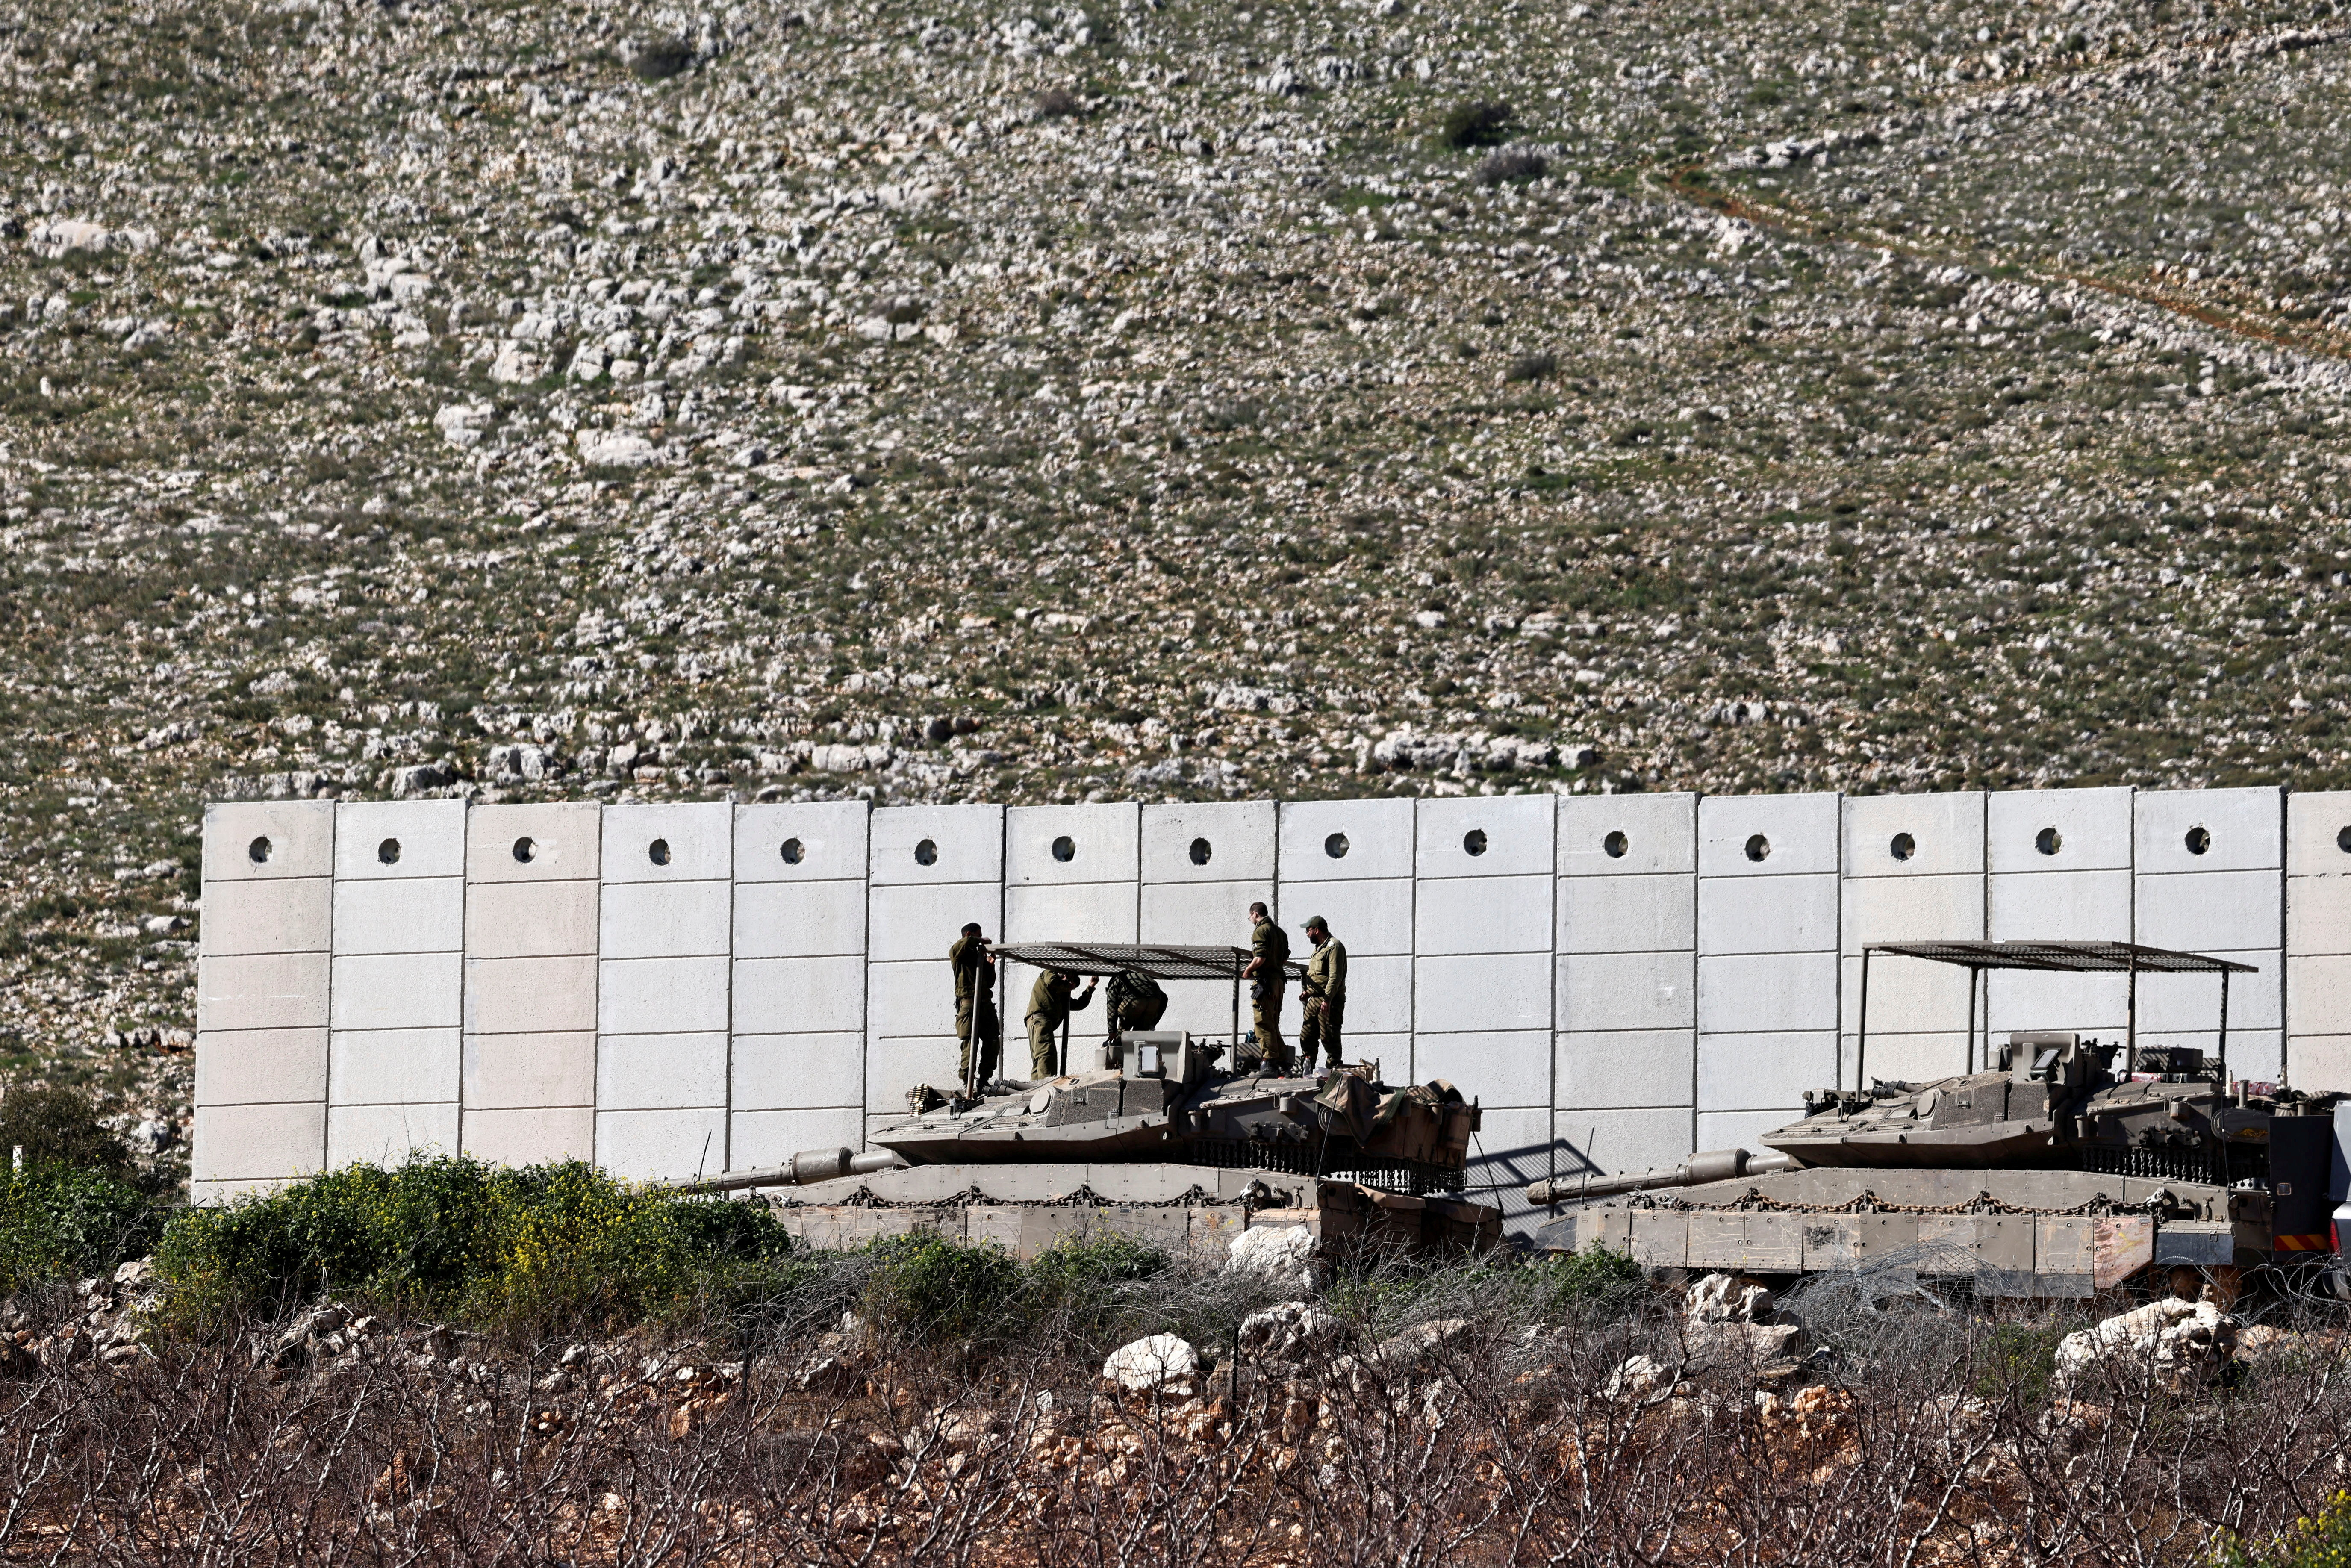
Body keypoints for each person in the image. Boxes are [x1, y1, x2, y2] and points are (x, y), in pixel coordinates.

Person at [1242, 900, 1291, 1073]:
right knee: (1273, 1024)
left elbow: (1260, 958)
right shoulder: (1280, 933)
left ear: (1255, 914)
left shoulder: (1260, 931)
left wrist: (1248, 970)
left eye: (1251, 917)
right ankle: (1283, 1064)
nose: (1251, 920)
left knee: (1263, 1024)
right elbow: (1284, 959)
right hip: (1278, 983)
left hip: (1265, 983)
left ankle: (1269, 1063)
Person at [949, 923, 999, 1091]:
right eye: (977, 936)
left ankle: (984, 1081)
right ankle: (967, 1082)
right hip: (969, 1004)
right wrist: (980, 941)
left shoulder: (979, 956)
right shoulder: (958, 953)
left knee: (992, 1042)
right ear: (969, 935)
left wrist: (989, 965)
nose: (980, 940)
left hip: (985, 1003)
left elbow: (990, 983)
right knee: (970, 1045)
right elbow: (961, 945)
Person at [1025, 968, 1096, 1079]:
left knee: (1039, 1059)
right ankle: (1046, 1087)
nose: (1069, 988)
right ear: (1064, 976)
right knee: (1047, 1055)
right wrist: (1067, 986)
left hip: (1037, 1023)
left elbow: (1079, 1005)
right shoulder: (1048, 973)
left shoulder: (1060, 995)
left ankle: (1035, 1087)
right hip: (1040, 1021)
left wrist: (1090, 988)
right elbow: (1051, 981)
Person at [1298, 915, 1347, 1072]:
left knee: (1329, 1038)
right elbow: (1319, 976)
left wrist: (1328, 1000)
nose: (1307, 934)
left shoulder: (1334, 947)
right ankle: (1307, 1069)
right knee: (1307, 1035)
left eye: (1308, 931)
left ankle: (1332, 1073)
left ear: (1316, 930)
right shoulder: (1319, 948)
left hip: (1330, 1000)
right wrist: (1309, 992)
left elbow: (1335, 977)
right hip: (1315, 999)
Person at [1105, 970, 1169, 1037]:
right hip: (1155, 1001)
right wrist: (1153, 1023)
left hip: (1134, 999)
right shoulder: (1138, 977)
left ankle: (1118, 1046)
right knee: (1139, 1036)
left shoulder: (1115, 982)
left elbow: (1111, 1008)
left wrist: (1112, 1031)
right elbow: (1165, 999)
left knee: (1123, 1034)